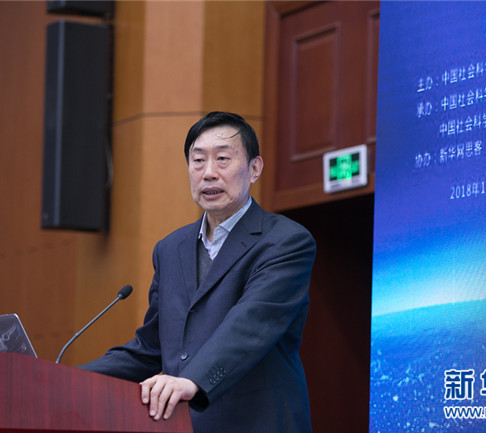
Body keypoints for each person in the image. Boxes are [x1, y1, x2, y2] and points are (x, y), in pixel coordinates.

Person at [79, 111, 316, 433]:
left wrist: (192, 380)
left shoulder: (286, 241)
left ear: (255, 168)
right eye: (198, 161)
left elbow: (251, 324)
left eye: (223, 159)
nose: (209, 173)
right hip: (183, 425)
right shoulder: (170, 249)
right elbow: (151, 348)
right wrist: (66, 378)